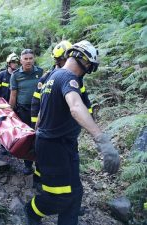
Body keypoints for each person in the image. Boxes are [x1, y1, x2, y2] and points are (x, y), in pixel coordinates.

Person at [25, 40, 120, 225]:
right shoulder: (68, 78)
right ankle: (31, 210)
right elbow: (76, 107)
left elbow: (44, 111)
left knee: (75, 193)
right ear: (83, 61)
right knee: (59, 197)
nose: (88, 72)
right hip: (53, 147)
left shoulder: (53, 76)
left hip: (62, 145)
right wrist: (102, 140)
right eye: (90, 68)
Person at [31, 40, 93, 188]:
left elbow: (84, 100)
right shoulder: (48, 77)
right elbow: (36, 103)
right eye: (59, 60)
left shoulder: (76, 78)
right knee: (46, 164)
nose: (62, 62)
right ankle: (40, 183)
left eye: (63, 59)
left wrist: (88, 119)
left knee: (65, 167)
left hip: (66, 132)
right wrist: (35, 127)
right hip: (50, 132)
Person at [9, 49, 43, 175]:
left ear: (33, 59)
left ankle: (40, 163)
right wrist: (10, 113)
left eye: (30, 58)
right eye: (25, 59)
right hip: (23, 110)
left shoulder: (40, 72)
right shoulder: (16, 75)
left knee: (40, 135)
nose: (28, 61)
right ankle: (28, 165)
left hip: (39, 110)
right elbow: (13, 95)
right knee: (27, 138)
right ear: (21, 60)